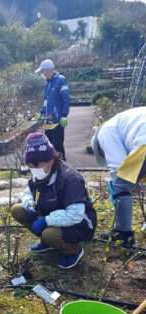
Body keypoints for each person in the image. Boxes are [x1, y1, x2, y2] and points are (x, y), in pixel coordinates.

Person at [11, 133, 97, 269]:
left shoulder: (70, 178)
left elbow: (75, 214)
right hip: (52, 216)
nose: (34, 169)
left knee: (49, 234)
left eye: (38, 165)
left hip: (79, 224)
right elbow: (28, 192)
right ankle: (47, 242)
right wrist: (29, 203)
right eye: (31, 165)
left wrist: (46, 221)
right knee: (18, 210)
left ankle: (72, 250)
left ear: (51, 159)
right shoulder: (41, 173)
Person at [91, 107, 146, 247]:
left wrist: (118, 188)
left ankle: (123, 233)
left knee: (120, 187)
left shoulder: (105, 132)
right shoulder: (118, 122)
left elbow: (118, 167)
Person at [36, 59, 70, 159]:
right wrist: (42, 113)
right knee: (49, 144)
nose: (42, 74)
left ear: (48, 71)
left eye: (42, 72)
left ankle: (61, 165)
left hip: (58, 119)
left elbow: (66, 99)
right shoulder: (48, 84)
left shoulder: (60, 80)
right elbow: (46, 101)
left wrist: (64, 115)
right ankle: (53, 166)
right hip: (48, 120)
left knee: (58, 144)